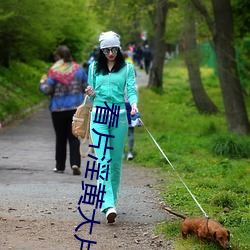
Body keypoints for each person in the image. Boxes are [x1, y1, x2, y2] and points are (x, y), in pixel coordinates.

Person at [85, 31, 138, 223]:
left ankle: (111, 201)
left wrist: (133, 104)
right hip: (98, 116)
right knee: (104, 161)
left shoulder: (127, 68)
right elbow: (91, 97)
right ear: (101, 50)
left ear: (119, 48)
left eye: (114, 49)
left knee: (115, 163)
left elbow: (131, 90)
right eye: (106, 50)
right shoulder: (93, 68)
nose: (110, 53)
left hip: (119, 117)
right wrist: (90, 92)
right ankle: (107, 204)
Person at [39, 45, 88, 175]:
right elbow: (86, 87)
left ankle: (60, 166)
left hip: (58, 109)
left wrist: (42, 83)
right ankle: (75, 163)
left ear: (58, 57)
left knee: (60, 138)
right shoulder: (79, 70)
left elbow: (47, 90)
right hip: (75, 109)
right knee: (73, 137)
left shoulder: (54, 71)